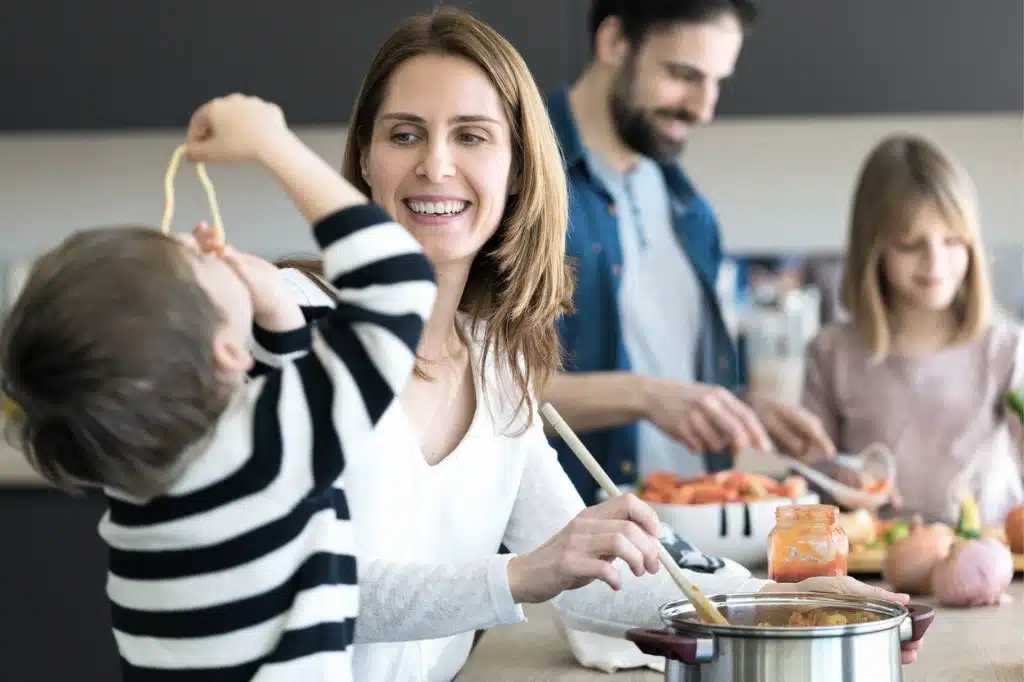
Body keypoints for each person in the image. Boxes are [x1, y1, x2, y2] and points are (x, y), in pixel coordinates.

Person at [276, 8, 921, 681]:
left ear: (519, 171)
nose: (436, 164)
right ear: (367, 163)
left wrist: (776, 603)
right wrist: (521, 575)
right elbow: (294, 586)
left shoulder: (498, 369)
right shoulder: (297, 326)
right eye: (405, 134)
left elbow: (593, 574)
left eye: (471, 137)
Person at [0, 94, 438, 681]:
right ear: (228, 354)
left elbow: (256, 424)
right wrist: (273, 145)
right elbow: (400, 281)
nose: (204, 239)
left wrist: (279, 317)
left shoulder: (141, 478)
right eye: (196, 262)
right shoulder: (265, 454)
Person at [541, 0, 837, 505]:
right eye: (682, 75)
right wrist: (646, 397)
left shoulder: (691, 212)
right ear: (614, 42)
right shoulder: (517, 180)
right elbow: (481, 396)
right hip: (574, 548)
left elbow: (675, 383)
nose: (703, 108)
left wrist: (740, 408)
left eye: (717, 82)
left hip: (687, 542)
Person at [798, 134, 1024, 526]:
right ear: (873, 249)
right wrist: (839, 478)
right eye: (909, 244)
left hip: (989, 555)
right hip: (873, 564)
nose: (935, 262)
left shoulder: (1005, 347)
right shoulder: (832, 352)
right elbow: (810, 472)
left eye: (953, 241)